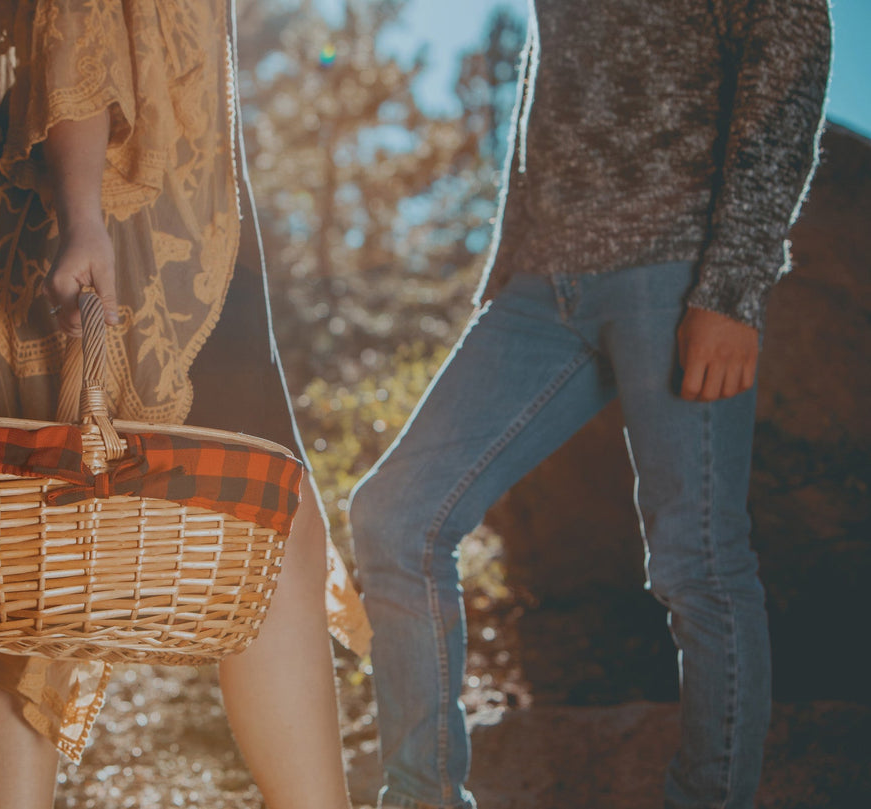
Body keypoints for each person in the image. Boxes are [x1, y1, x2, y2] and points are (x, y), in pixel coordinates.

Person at [348, 1, 832, 807]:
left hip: (674, 267)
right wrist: (506, 270)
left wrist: (734, 286)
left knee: (698, 562)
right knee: (396, 516)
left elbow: (788, 51)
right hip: (541, 286)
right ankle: (421, 796)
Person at [0, 2, 371, 807]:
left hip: (150, 208)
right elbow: (76, 24)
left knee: (35, 559)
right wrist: (83, 217)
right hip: (128, 221)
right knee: (266, 518)